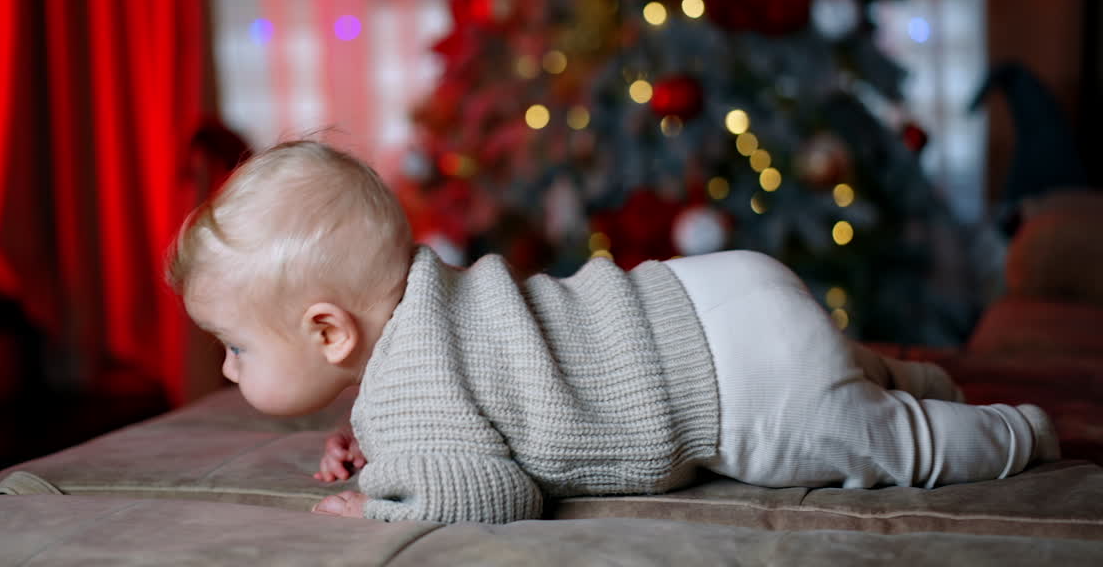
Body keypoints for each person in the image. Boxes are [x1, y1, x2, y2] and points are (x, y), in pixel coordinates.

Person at [166, 139, 1059, 524]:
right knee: (840, 366)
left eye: (238, 345)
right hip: (715, 290)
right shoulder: (428, 319)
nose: (226, 363)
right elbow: (445, 410)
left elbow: (488, 493)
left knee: (875, 442)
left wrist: (379, 505)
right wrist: (367, 441)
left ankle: (1014, 431)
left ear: (329, 332)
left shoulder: (408, 391)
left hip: (731, 389)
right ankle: (918, 379)